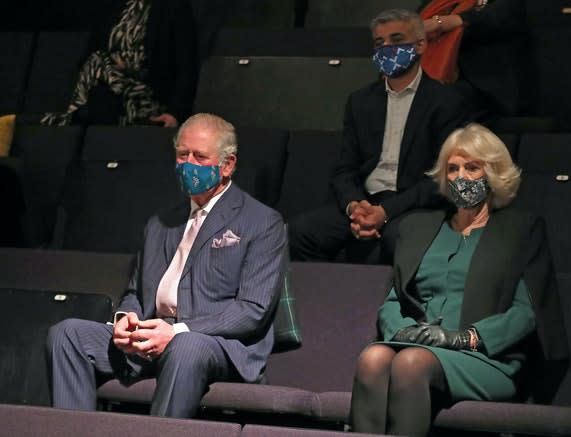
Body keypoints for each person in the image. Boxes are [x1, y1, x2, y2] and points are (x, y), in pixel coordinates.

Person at [46, 113, 287, 418]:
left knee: (186, 347)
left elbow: (252, 310)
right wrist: (126, 318)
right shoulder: (161, 222)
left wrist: (178, 332)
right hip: (151, 336)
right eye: (182, 155)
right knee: (68, 335)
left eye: (200, 157)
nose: (189, 165)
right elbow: (136, 291)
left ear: (227, 165)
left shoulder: (262, 222)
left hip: (214, 345)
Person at [349, 123, 569, 436]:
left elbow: (526, 312)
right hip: (417, 347)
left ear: (492, 174)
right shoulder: (417, 228)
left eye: (472, 167)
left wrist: (465, 338)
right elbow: (394, 299)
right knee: (372, 358)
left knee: (411, 363)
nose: (460, 176)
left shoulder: (521, 230)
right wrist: (402, 330)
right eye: (452, 168)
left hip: (484, 358)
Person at [288, 9, 471, 264]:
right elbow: (345, 169)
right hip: (366, 200)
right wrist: (355, 207)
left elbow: (442, 179)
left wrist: (385, 212)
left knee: (397, 238)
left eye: (396, 40)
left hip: (414, 204)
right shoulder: (360, 101)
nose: (386, 48)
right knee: (300, 232)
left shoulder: (448, 102)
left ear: (420, 45)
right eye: (379, 42)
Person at [41, 0, 197, 127]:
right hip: (109, 85)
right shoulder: (114, 7)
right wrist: (115, 67)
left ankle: (76, 117)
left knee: (99, 81)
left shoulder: (173, 7)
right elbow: (87, 57)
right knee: (99, 73)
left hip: (146, 93)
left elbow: (186, 67)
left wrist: (175, 114)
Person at [419, 0, 528, 120]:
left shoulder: (502, 6)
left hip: (487, 87)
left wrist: (444, 22)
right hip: (446, 82)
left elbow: (497, 16)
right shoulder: (441, 3)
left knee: (440, 99)